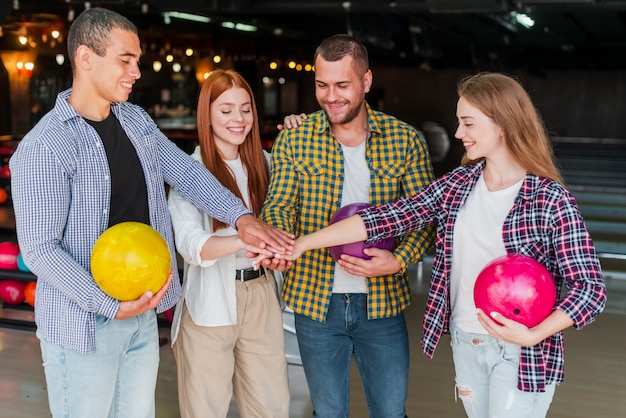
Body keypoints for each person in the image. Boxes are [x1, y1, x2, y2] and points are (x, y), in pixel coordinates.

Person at [270, 72, 607, 418]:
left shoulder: (550, 199)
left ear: (502, 125)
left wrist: (534, 334)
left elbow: (590, 290)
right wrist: (301, 244)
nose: (459, 133)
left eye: (468, 123)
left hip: (522, 353)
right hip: (467, 341)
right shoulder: (458, 185)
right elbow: (387, 218)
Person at [9, 8, 293, 418]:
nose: (137, 72)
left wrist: (241, 218)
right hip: (84, 323)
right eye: (126, 60)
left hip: (143, 315)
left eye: (137, 60)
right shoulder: (45, 146)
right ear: (85, 58)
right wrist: (109, 305)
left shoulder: (135, 120)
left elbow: (187, 174)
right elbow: (40, 249)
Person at [259, 34, 435, 417]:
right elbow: (279, 205)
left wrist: (399, 261)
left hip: (382, 303)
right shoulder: (295, 139)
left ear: (366, 82)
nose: (331, 96)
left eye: (342, 85)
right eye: (322, 85)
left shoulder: (406, 142)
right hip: (314, 301)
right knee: (328, 412)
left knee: (390, 411)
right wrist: (278, 242)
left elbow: (423, 217)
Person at [167, 69, 290, 418]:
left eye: (246, 108)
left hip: (262, 293)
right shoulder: (191, 171)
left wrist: (297, 128)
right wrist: (246, 237)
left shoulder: (265, 165)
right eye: (226, 110)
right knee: (205, 409)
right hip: (209, 300)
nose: (238, 119)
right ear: (207, 114)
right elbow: (193, 246)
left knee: (272, 407)